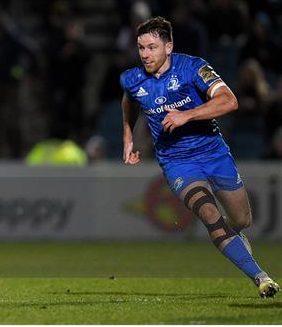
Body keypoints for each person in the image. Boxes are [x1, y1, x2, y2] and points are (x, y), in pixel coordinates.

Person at [120, 16, 279, 298]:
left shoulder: (194, 67)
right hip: (177, 161)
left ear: (168, 47)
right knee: (208, 213)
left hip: (213, 152)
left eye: (152, 47)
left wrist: (187, 115)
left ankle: (235, 240)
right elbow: (129, 100)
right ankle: (260, 277)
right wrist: (128, 136)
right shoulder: (132, 78)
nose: (145, 54)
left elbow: (230, 101)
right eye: (141, 47)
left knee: (241, 220)